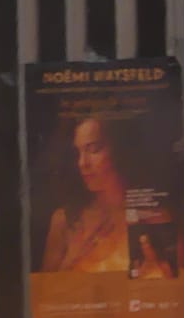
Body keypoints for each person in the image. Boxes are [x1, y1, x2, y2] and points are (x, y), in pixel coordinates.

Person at [41, 116, 135, 274]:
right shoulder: (65, 220)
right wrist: (72, 262)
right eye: (78, 152)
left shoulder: (149, 213)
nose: (82, 163)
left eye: (93, 149)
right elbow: (44, 293)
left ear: (118, 148)